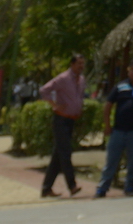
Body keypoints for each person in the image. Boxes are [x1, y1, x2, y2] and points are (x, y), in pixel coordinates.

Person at [93, 58, 133, 198]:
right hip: (118, 131)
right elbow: (108, 106)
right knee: (111, 160)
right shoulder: (120, 86)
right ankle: (103, 187)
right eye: (132, 69)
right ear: (128, 71)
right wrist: (107, 125)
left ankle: (130, 187)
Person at [38, 54, 85, 198]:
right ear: (72, 64)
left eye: (83, 64)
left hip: (72, 119)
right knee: (65, 152)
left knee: (58, 155)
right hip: (61, 120)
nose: (81, 66)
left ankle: (46, 188)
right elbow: (44, 90)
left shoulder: (81, 80)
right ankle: (72, 185)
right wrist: (55, 105)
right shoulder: (63, 78)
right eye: (78, 63)